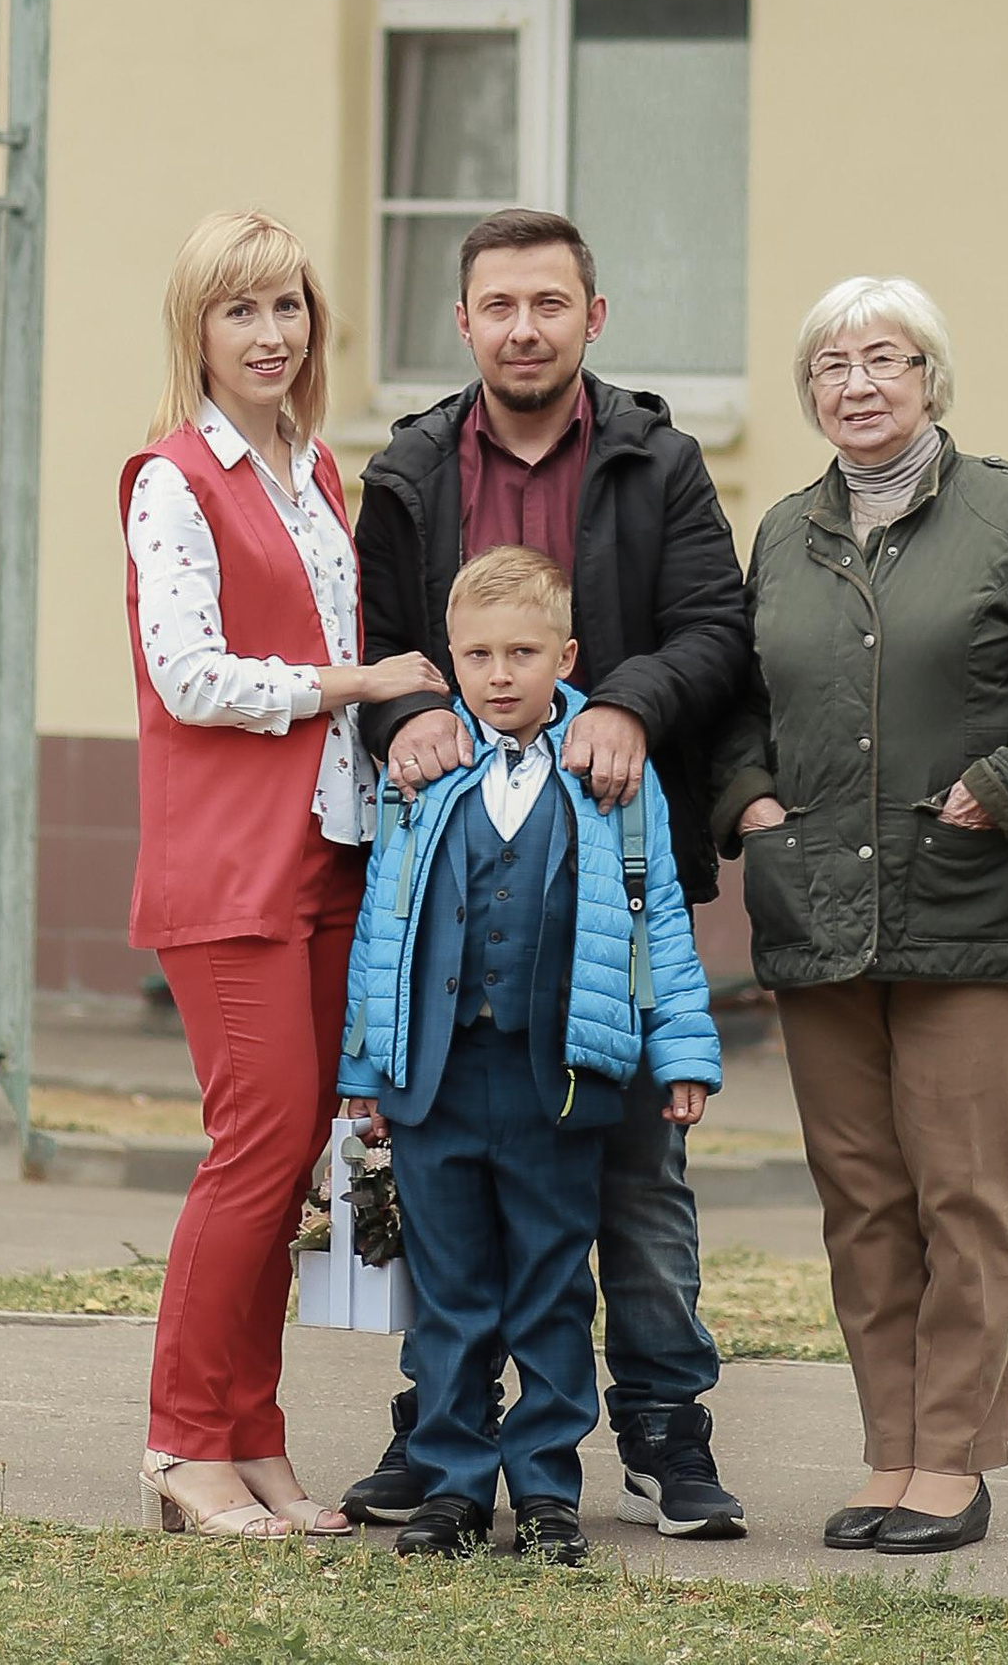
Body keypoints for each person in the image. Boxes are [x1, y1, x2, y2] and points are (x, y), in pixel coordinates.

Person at [345, 203, 754, 1539]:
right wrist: (401, 712)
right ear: (461, 323)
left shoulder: (657, 460)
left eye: (550, 304)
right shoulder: (409, 470)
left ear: (594, 317)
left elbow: (715, 627)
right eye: (500, 305)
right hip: (460, 861)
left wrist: (627, 700)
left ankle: (661, 1426)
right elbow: (380, 640)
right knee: (452, 1206)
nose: (526, 327)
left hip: (613, 879)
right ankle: (443, 1436)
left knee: (633, 1188)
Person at [710, 276, 1008, 1556]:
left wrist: (1002, 786)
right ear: (809, 395)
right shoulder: (783, 531)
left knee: (963, 1195)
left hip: (969, 905)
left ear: (930, 379)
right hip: (820, 911)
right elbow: (741, 705)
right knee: (861, 1200)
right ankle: (885, 1450)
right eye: (830, 366)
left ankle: (951, 1459)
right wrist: (750, 803)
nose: (857, 384)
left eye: (884, 358)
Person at [121, 208, 451, 1541]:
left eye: (289, 308)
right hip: (228, 866)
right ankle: (181, 1446)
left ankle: (250, 1437)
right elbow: (188, 673)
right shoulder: (169, 477)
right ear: (196, 330)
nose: (269, 334)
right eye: (239, 310)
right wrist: (354, 682)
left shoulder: (314, 472)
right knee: (251, 1153)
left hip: (328, 854)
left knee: (294, 1158)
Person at [337, 546, 724, 1565]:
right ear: (450, 666)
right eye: (476, 655)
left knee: (553, 1290)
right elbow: (384, 927)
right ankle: (455, 1485)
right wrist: (365, 1072)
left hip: (559, 1084)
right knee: (452, 1293)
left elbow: (658, 929)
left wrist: (680, 1049)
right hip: (437, 1080)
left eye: (521, 652)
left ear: (567, 654)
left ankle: (548, 1491)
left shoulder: (613, 780)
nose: (500, 674)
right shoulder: (422, 776)